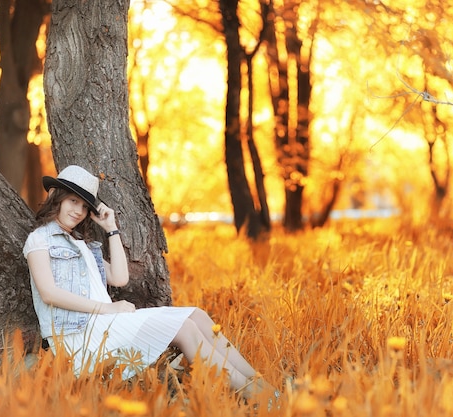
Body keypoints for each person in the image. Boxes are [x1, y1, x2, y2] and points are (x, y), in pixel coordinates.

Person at [23, 165, 277, 402]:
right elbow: (49, 293)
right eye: (72, 201)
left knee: (197, 316)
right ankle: (259, 398)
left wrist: (111, 229)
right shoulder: (40, 240)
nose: (78, 211)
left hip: (105, 324)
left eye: (84, 206)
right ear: (56, 197)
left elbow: (120, 278)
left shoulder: (84, 243)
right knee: (186, 330)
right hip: (77, 336)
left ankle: (265, 387)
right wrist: (108, 308)